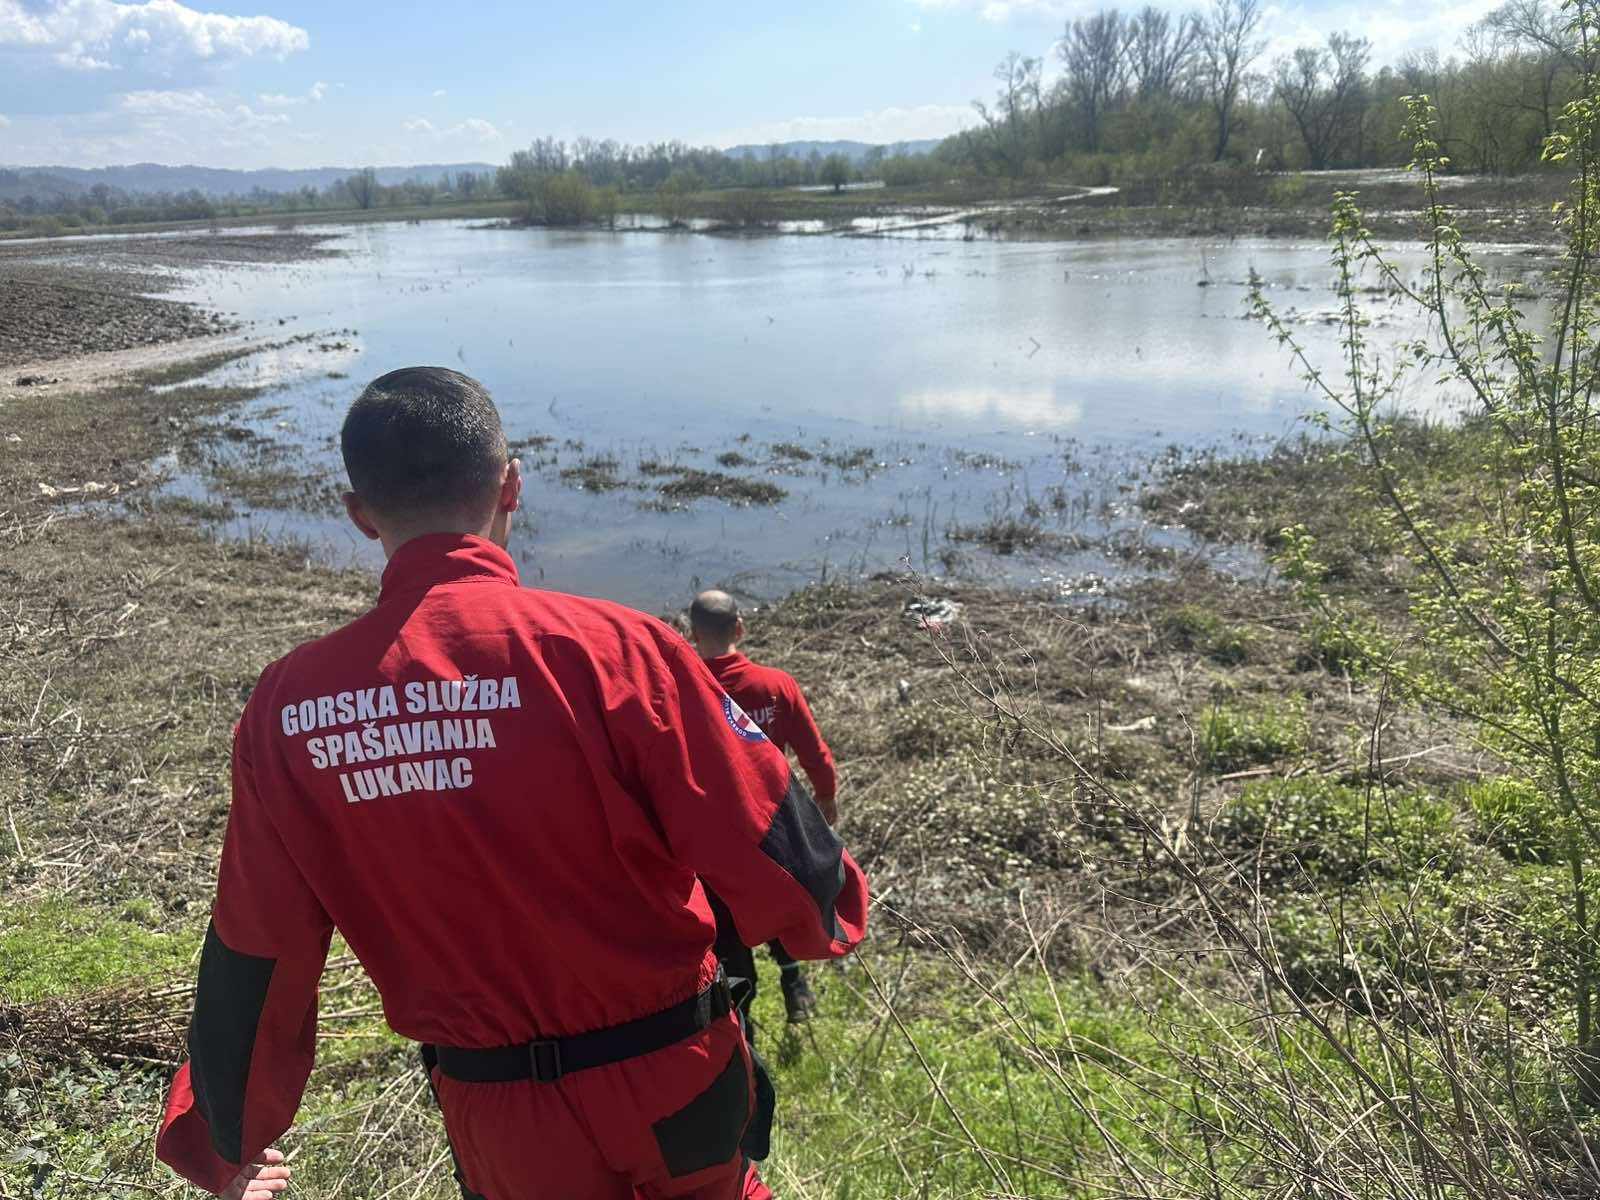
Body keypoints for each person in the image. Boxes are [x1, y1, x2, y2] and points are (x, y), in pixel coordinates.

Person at [153, 367, 869, 1200]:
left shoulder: (287, 708)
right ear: (512, 485)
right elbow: (770, 841)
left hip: (493, 1107)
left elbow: (257, 944)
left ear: (358, 513)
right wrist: (824, 912)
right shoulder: (619, 649)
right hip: (677, 1075)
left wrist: (223, 1132)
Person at [687, 590, 838, 1027]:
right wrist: (825, 799)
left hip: (715, 840)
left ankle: (742, 1023)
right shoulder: (775, 686)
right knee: (782, 903)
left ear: (693, 634)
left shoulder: (684, 687)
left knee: (729, 927)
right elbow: (815, 753)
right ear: (739, 628)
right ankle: (795, 986)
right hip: (776, 827)